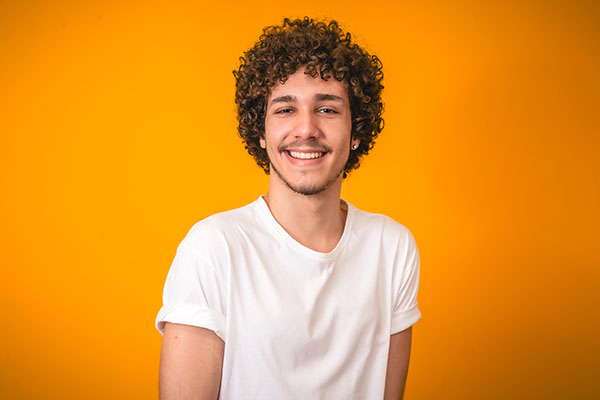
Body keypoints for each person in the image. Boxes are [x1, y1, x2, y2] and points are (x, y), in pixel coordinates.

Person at [156, 17, 421, 400]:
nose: (306, 129)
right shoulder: (213, 249)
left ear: (356, 130)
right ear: (261, 132)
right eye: (285, 110)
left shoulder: (392, 247)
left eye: (327, 109)